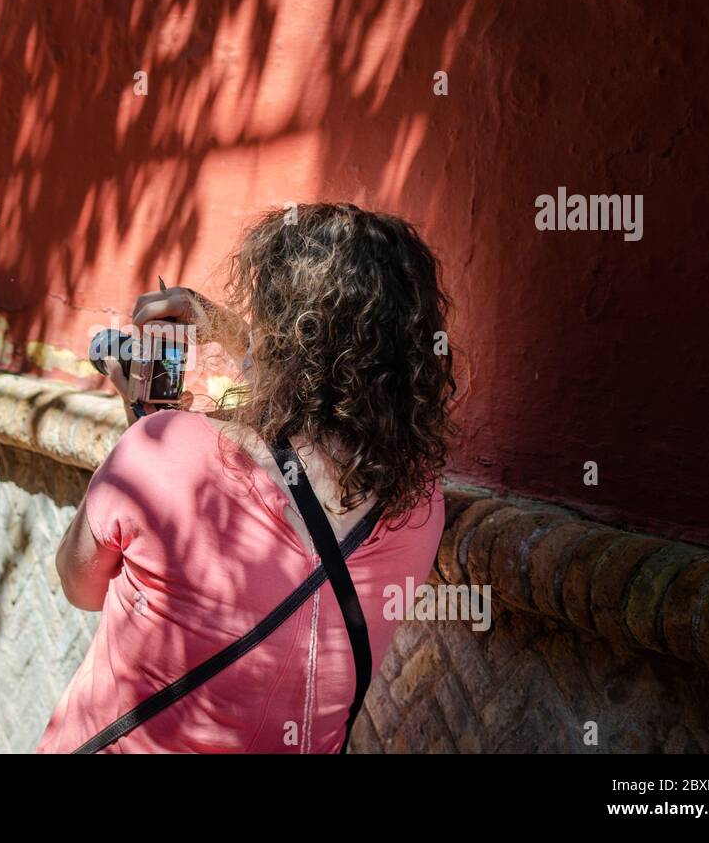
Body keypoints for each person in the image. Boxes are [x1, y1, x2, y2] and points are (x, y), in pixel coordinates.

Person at [37, 203, 456, 754]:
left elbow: (79, 584)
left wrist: (141, 434)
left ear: (279, 336)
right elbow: (325, 402)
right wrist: (220, 328)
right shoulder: (420, 501)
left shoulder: (163, 450)